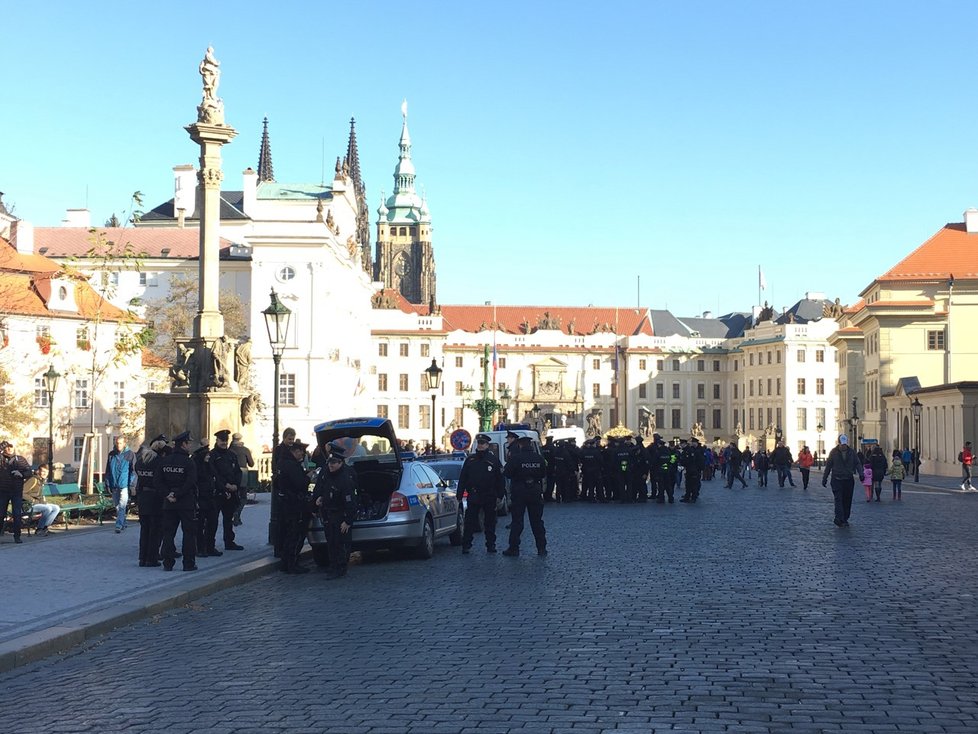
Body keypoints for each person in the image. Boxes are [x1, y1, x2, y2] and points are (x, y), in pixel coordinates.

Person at [313, 442, 357, 579]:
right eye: (329, 462)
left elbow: (351, 501)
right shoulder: (326, 473)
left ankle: (340, 567)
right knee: (331, 542)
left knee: (341, 543)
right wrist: (318, 499)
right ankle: (333, 566)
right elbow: (320, 488)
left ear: (341, 462)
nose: (330, 465)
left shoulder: (345, 478)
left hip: (340, 514)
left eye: (334, 463)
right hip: (328, 513)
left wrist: (347, 520)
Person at [156, 431, 199, 571]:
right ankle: (188, 563)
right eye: (189, 443)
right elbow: (191, 482)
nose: (190, 446)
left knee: (168, 533)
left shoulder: (165, 461)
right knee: (189, 533)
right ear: (184, 444)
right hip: (185, 502)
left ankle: (167, 563)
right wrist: (178, 494)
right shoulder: (189, 462)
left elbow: (157, 481)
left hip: (169, 503)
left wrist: (168, 494)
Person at [458, 433, 505, 554]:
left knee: (490, 522)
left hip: (489, 495)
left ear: (487, 445)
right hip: (474, 494)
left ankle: (491, 545)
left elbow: (500, 479)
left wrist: (500, 495)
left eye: (482, 443)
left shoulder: (493, 460)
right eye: (479, 443)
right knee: (470, 522)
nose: (480, 445)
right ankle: (466, 545)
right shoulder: (470, 460)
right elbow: (463, 478)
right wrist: (460, 493)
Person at [502, 436, 547, 557]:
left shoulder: (516, 458)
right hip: (535, 492)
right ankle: (541, 548)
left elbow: (507, 473)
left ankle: (514, 548)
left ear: (520, 445)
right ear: (530, 445)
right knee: (537, 521)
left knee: (517, 521)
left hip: (519, 491)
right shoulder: (539, 458)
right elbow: (543, 473)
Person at [276, 439, 312, 574]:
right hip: (294, 504)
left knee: (288, 534)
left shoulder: (282, 463)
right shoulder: (292, 465)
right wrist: (308, 476)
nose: (302, 454)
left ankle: (286, 563)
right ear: (294, 452)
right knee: (295, 534)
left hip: (287, 503)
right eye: (300, 452)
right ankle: (292, 563)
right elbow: (300, 484)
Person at [135, 436, 167, 566]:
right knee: (155, 530)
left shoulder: (141, 461)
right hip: (155, 499)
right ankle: (152, 558)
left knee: (144, 529)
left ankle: (142, 558)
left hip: (143, 497)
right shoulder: (160, 462)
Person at [210, 430, 244, 551]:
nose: (224, 443)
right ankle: (210, 544)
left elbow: (238, 472)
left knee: (228, 519)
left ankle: (229, 541)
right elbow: (213, 474)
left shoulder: (231, 455)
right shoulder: (212, 455)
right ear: (217, 441)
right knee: (213, 520)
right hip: (218, 492)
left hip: (232, 492)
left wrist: (235, 485)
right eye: (222, 440)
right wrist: (225, 486)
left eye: (226, 440)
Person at [822, 434, 862, 528]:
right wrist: (825, 478)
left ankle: (844, 518)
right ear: (839, 443)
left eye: (845, 444)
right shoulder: (833, 452)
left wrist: (861, 474)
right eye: (842, 444)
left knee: (847, 501)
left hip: (848, 480)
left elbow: (857, 463)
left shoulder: (851, 452)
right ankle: (839, 518)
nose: (843, 446)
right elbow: (828, 466)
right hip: (837, 479)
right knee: (838, 499)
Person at [192, 438, 220, 557]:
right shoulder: (197, 468)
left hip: (210, 498)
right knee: (199, 525)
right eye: (206, 455)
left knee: (213, 523)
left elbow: (215, 478)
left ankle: (210, 546)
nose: (208, 457)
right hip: (201, 499)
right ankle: (200, 547)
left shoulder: (209, 467)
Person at [104, 435, 137, 533]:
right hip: (114, 484)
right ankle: (123, 523)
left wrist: (132, 485)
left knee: (122, 506)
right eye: (117, 443)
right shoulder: (111, 455)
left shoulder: (130, 454)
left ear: (124, 443)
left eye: (121, 443)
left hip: (124, 485)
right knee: (117, 506)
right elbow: (108, 470)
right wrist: (107, 484)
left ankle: (118, 525)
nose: (118, 445)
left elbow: (134, 471)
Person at [0, 441, 31, 543]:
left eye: (11, 447)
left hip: (16, 491)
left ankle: (17, 536)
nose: (9, 449)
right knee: (1, 513)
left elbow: (29, 471)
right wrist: (1, 446)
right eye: (7, 447)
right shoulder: (1, 459)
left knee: (17, 514)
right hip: (3, 491)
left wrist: (21, 473)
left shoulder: (20, 460)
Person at [22, 465, 61, 536]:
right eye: (43, 471)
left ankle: (44, 528)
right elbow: (22, 493)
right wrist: (33, 500)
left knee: (56, 508)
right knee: (48, 508)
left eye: (46, 472)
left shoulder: (41, 480)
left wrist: (43, 501)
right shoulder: (33, 479)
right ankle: (39, 529)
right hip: (28, 505)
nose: (44, 473)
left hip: (38, 503)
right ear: (38, 471)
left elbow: (39, 494)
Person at [229, 432, 255, 525]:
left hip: (231, 473)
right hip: (242, 473)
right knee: (243, 497)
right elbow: (251, 464)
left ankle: (233, 514)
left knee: (233, 495)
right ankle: (237, 513)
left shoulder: (230, 450)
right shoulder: (245, 450)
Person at [679, 437, 705, 503]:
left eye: (693, 442)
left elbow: (700, 461)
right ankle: (688, 496)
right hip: (690, 470)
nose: (692, 443)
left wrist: (700, 469)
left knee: (694, 484)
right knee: (688, 484)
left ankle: (694, 496)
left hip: (695, 470)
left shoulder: (698, 450)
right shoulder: (691, 449)